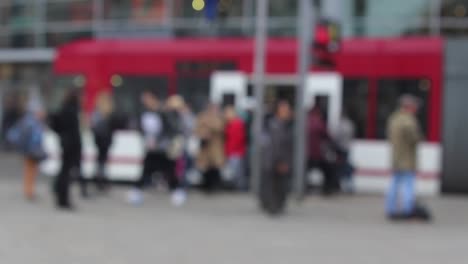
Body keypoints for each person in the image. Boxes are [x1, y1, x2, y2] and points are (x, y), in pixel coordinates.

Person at [386, 95, 423, 220]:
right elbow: (414, 138)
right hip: (406, 159)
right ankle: (407, 210)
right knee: (408, 185)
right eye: (414, 106)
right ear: (409, 107)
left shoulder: (394, 119)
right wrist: (419, 137)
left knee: (394, 184)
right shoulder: (408, 120)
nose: (416, 109)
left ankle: (390, 208)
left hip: (396, 157)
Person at [49, 90, 84, 210]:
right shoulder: (72, 111)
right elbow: (75, 132)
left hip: (65, 144)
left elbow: (55, 124)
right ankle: (63, 199)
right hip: (72, 146)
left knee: (64, 171)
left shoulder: (64, 109)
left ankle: (61, 196)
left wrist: (62, 135)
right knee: (66, 173)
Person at [259, 100, 294, 215]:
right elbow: (277, 146)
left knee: (275, 185)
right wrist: (280, 162)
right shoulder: (276, 125)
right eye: (285, 110)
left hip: (273, 161)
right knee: (276, 185)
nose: (288, 112)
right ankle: (273, 206)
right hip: (275, 161)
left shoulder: (281, 124)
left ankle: (272, 205)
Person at [7, 106, 47, 200]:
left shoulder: (34, 122)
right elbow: (28, 138)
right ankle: (29, 191)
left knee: (32, 171)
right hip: (31, 150)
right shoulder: (31, 123)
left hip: (32, 150)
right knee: (30, 171)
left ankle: (29, 190)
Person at [307, 105, 339, 196]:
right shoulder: (318, 123)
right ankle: (327, 190)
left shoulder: (303, 122)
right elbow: (327, 136)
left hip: (305, 155)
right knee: (329, 171)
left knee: (304, 171)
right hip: (315, 154)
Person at [195, 103, 225, 193]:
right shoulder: (202, 116)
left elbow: (220, 127)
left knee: (215, 167)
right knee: (205, 167)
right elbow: (197, 129)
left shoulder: (219, 117)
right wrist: (203, 133)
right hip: (206, 146)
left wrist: (208, 124)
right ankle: (206, 185)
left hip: (216, 146)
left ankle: (215, 185)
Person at [91, 92, 116, 192]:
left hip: (101, 140)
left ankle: (100, 180)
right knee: (102, 161)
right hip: (103, 140)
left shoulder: (98, 113)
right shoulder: (103, 114)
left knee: (101, 161)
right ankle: (100, 180)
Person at [223, 105, 247, 190]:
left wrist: (230, 150)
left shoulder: (237, 123)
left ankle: (240, 187)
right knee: (235, 171)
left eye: (227, 113)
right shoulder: (230, 123)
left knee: (237, 172)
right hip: (232, 151)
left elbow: (238, 139)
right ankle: (237, 186)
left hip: (235, 151)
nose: (225, 115)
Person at [334, 111, 356, 193]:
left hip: (341, 149)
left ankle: (343, 186)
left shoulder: (340, 125)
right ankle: (350, 187)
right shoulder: (350, 124)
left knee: (343, 169)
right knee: (347, 168)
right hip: (347, 148)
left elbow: (336, 137)